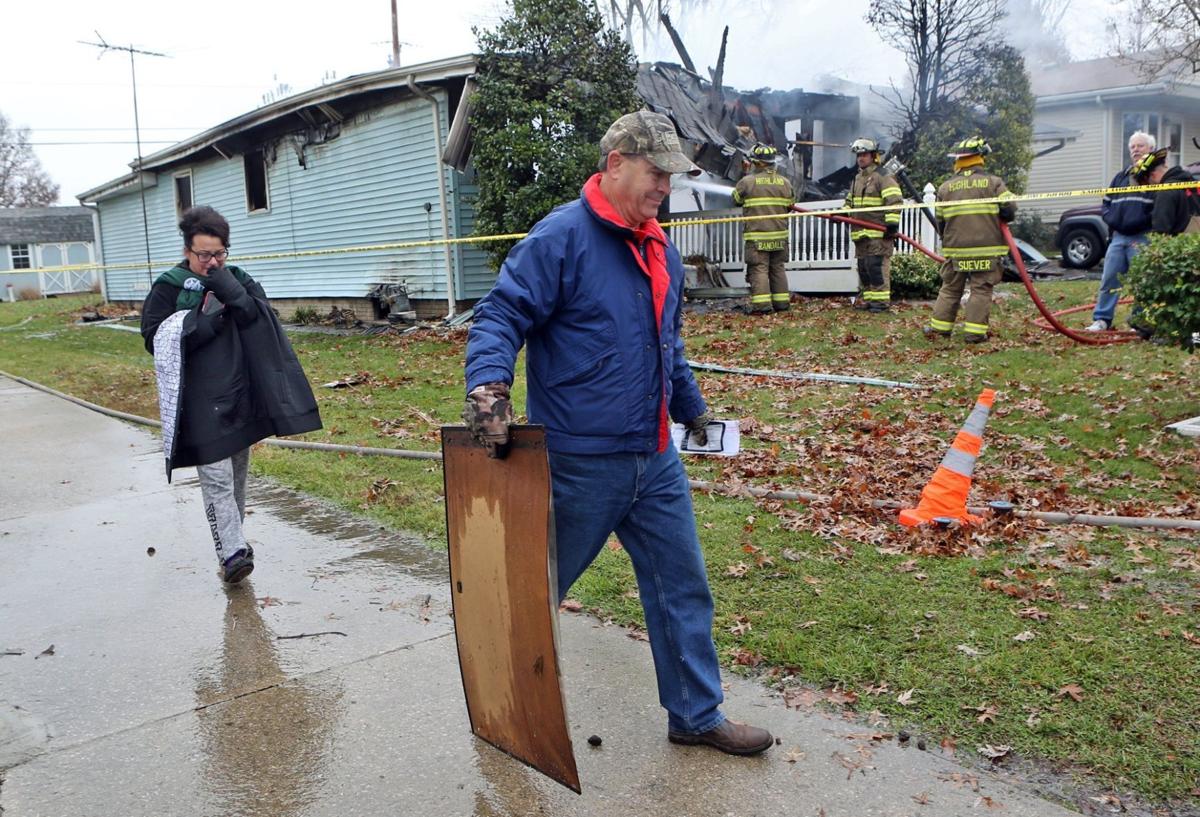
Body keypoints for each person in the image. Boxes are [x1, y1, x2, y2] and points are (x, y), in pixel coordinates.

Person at [462, 110, 773, 756]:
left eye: (672, 175)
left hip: (655, 459)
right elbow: (499, 315)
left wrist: (692, 410)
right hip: (579, 463)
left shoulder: (658, 246)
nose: (666, 186)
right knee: (532, 588)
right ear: (615, 163)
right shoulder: (562, 238)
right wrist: (488, 392)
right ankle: (505, 707)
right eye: (656, 172)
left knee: (682, 584)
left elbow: (668, 345)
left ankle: (695, 713)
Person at [141, 206, 322, 584]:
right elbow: (153, 338)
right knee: (216, 477)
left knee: (237, 474)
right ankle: (233, 551)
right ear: (188, 249)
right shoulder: (169, 287)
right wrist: (197, 325)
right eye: (204, 254)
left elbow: (259, 316)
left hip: (240, 394)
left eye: (219, 254)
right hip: (197, 399)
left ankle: (232, 546)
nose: (211, 262)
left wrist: (225, 284)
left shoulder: (237, 278)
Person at [923, 137, 1017, 344]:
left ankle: (939, 329)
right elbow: (1010, 209)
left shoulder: (945, 188)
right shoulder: (994, 183)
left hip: (956, 249)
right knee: (980, 289)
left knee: (950, 288)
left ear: (958, 160)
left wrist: (948, 240)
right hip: (986, 249)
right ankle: (974, 333)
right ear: (980, 158)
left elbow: (940, 221)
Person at [1086, 131, 1156, 331]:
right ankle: (1102, 320)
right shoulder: (1121, 176)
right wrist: (1113, 220)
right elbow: (1106, 203)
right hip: (1118, 238)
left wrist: (1140, 222)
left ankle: (1139, 322)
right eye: (1132, 147)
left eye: (1140, 146)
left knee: (1142, 281)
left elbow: (1160, 207)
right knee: (1109, 279)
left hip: (1143, 237)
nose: (1135, 150)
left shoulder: (1154, 177)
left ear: (1150, 149)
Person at [732, 143, 795, 314]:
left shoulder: (747, 182)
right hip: (780, 236)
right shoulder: (785, 182)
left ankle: (762, 306)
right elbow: (791, 204)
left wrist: (745, 173)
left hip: (758, 236)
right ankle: (782, 304)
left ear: (757, 163)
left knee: (759, 268)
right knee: (777, 268)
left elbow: (736, 199)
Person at [844, 137, 903, 312]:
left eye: (864, 155)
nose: (860, 158)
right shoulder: (857, 178)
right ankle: (869, 301)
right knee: (864, 268)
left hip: (878, 233)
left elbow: (894, 201)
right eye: (858, 155)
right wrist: (842, 212)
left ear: (873, 156)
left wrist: (891, 224)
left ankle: (881, 303)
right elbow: (849, 202)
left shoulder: (883, 176)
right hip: (860, 233)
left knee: (875, 267)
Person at [1136, 148, 1200, 236]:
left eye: (1146, 183)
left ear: (1152, 176)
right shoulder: (1192, 183)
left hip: (1179, 247)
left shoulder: (1164, 192)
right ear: (1165, 164)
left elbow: (1160, 232)